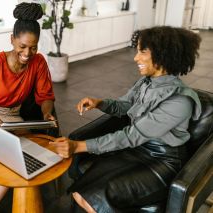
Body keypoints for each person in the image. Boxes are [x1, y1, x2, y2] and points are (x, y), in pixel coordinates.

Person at [50, 26, 202, 213]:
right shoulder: (146, 82)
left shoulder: (179, 101)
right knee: (79, 192)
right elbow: (125, 106)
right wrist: (100, 103)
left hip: (162, 161)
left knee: (92, 200)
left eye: (142, 51)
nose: (135, 57)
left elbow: (131, 136)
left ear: (163, 54)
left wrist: (78, 146)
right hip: (138, 149)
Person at [0, 3, 55, 213]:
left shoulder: (39, 62)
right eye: (23, 46)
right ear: (12, 39)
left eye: (33, 47)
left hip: (12, 116)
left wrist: (46, 112)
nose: (28, 53)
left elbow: (46, 96)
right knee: (3, 146)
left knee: (21, 153)